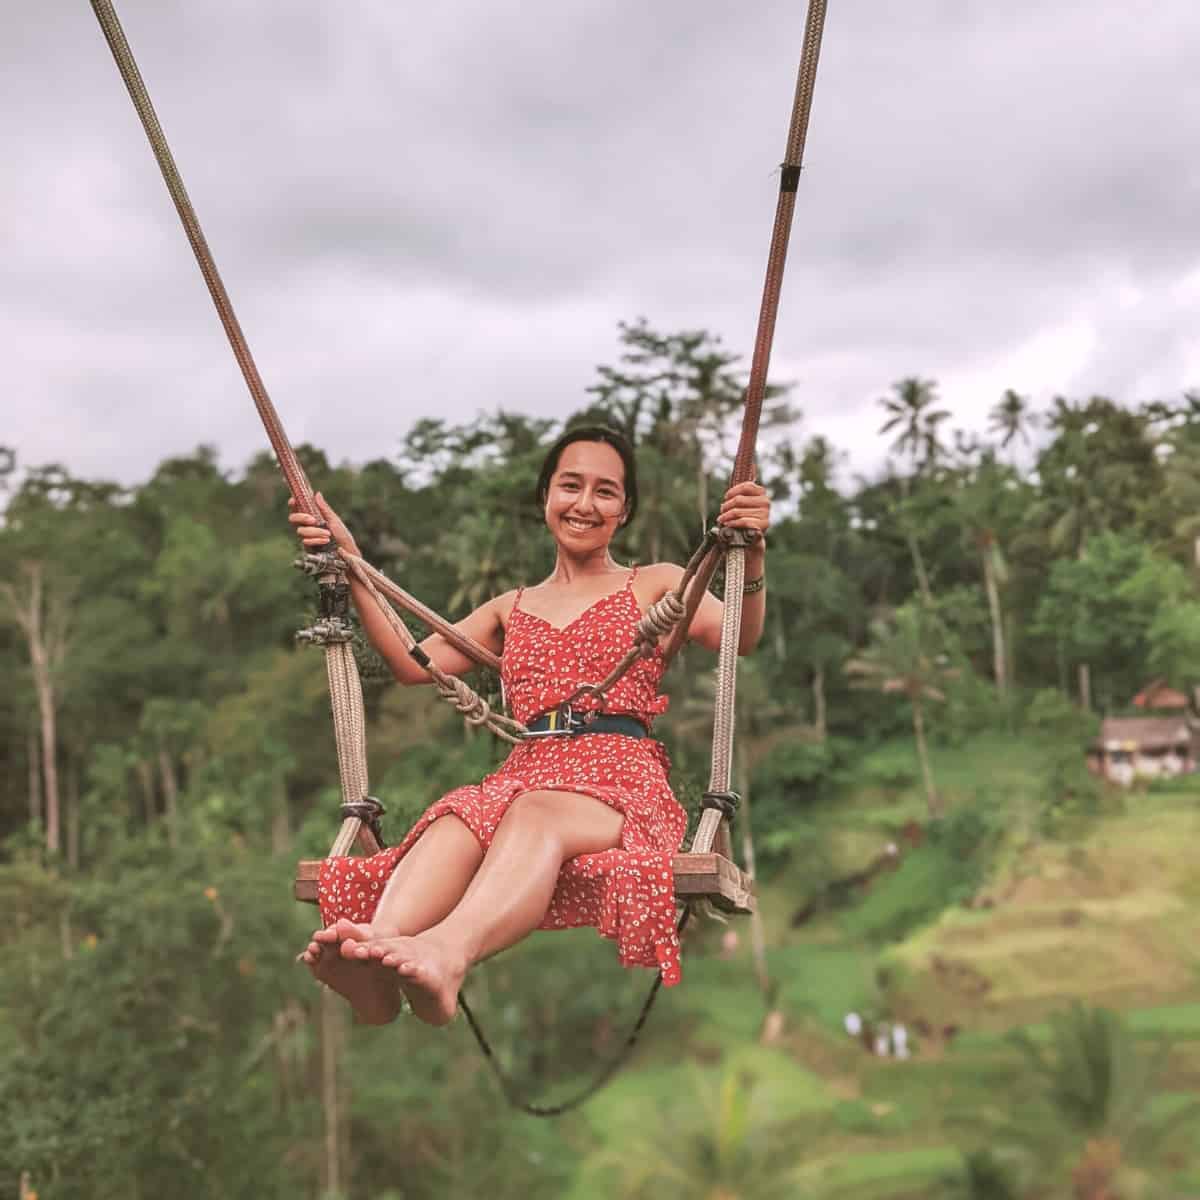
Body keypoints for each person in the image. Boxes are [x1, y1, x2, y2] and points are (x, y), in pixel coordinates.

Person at [292, 426, 770, 1027]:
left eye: (606, 492)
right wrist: (350, 559)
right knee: (455, 818)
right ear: (546, 495)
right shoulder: (507, 608)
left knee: (534, 812)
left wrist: (749, 555)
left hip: (617, 780)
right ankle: (375, 951)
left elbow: (740, 636)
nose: (585, 504)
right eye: (571, 485)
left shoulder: (654, 584)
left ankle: (447, 952)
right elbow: (411, 663)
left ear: (624, 512)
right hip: (525, 774)